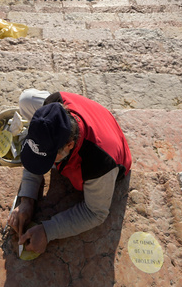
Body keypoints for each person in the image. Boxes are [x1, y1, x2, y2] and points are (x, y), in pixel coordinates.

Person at [7, 90, 131, 255]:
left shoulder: (99, 163)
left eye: (49, 159)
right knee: (26, 99)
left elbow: (95, 213)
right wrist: (27, 199)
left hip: (111, 145)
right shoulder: (51, 108)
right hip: (91, 113)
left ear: (69, 146)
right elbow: (37, 147)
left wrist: (47, 232)